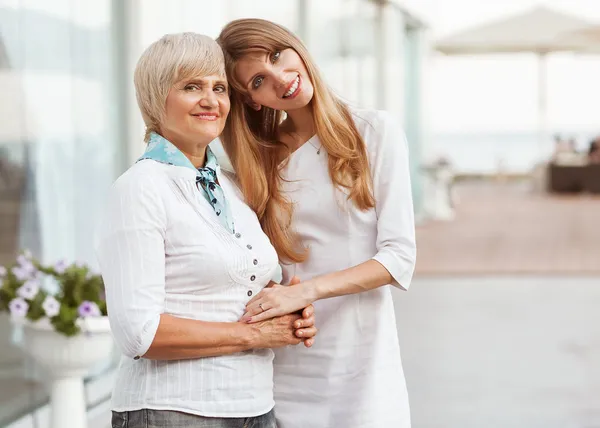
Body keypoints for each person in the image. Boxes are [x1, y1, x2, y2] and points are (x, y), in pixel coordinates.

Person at [94, 32, 317, 428]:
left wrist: (288, 308)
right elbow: (139, 335)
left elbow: (243, 287)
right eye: (191, 86)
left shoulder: (234, 187)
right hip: (173, 411)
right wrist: (255, 335)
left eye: (218, 88)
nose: (211, 100)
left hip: (254, 406)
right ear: (155, 98)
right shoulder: (140, 188)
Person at [217, 19, 417, 428]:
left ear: (295, 46)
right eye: (258, 80)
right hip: (289, 360)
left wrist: (306, 291)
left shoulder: (373, 132)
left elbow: (399, 258)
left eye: (276, 56)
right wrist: (279, 296)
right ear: (252, 100)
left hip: (364, 360)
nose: (279, 77)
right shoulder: (259, 163)